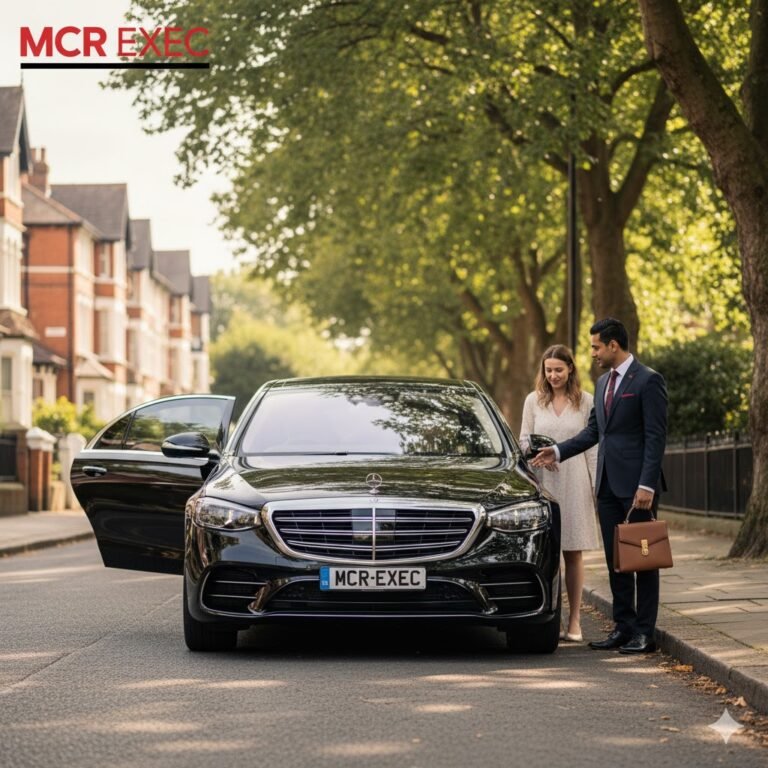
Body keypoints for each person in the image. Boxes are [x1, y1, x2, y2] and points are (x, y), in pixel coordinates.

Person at [531, 318, 668, 655]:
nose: (592, 353)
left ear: (613, 345)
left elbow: (655, 436)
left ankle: (644, 633)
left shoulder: (648, 380)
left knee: (643, 561)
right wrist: (557, 451)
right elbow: (594, 432)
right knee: (616, 560)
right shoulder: (604, 382)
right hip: (607, 485)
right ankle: (623, 628)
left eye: (596, 347)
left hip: (637, 488)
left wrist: (647, 485)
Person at [520, 344, 599, 643]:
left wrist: (596, 485)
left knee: (573, 551)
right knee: (546, 551)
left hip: (575, 479)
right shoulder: (533, 401)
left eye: (558, 370)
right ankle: (548, 616)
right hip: (544, 480)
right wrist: (540, 453)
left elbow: (593, 445)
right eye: (548, 370)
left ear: (570, 369)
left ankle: (575, 620)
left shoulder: (586, 401)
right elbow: (523, 441)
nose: (553, 375)